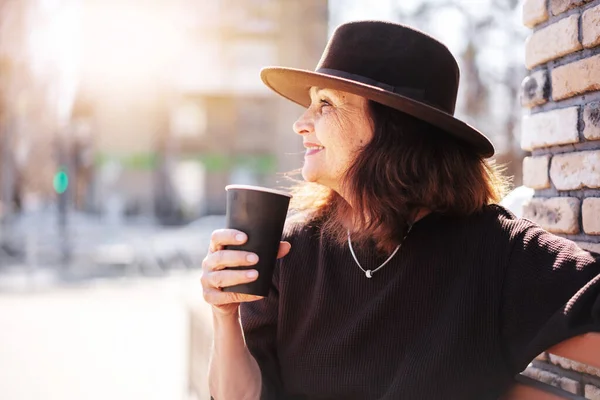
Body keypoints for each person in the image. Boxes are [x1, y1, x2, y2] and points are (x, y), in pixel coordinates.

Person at [201, 21, 600, 399]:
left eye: (326, 104)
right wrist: (225, 315)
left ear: (392, 126)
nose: (301, 123)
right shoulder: (290, 250)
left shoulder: (495, 250)